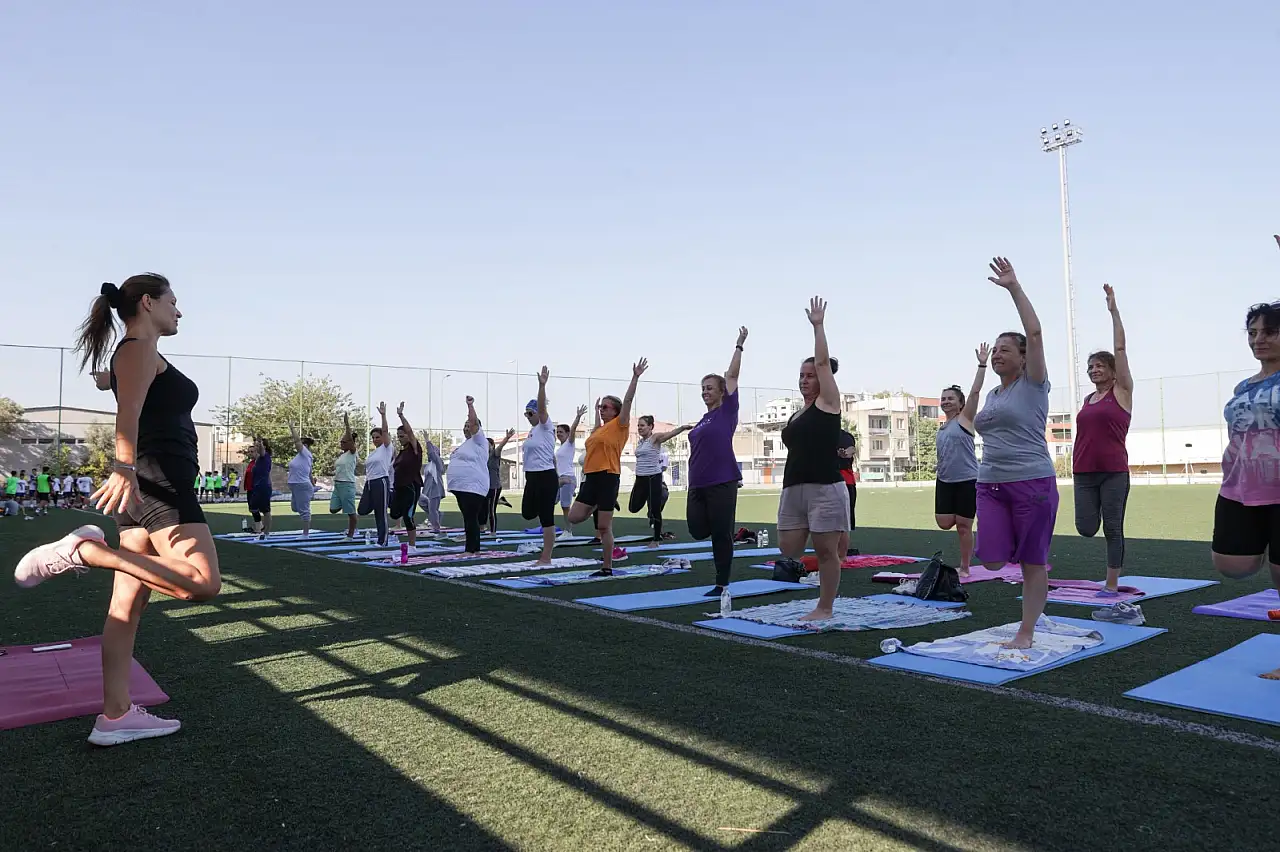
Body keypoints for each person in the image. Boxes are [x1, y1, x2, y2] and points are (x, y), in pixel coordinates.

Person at [15, 275, 221, 746]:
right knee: (202, 583)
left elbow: (131, 393)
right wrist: (123, 467)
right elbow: (127, 411)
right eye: (173, 301)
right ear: (148, 302)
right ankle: (86, 551)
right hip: (159, 483)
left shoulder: (135, 353)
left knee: (127, 604)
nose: (180, 311)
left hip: (148, 482)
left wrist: (110, 381)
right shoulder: (136, 348)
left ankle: (115, 716)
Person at [973, 257, 1058, 650]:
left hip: (1032, 483)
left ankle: (1026, 631)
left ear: (1023, 357)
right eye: (995, 351)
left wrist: (1013, 288)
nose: (997, 355)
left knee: (1032, 563)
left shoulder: (1034, 383)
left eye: (1006, 350)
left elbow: (1036, 332)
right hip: (990, 484)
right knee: (990, 560)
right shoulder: (993, 394)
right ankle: (1019, 547)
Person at [1212, 297, 1280, 680]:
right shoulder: (1243, 385)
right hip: (1240, 487)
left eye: (1269, 331)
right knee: (1232, 565)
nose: (1259, 339)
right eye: (1253, 332)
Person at [778, 302, 848, 620]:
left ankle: (825, 607)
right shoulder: (797, 414)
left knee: (825, 552)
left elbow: (822, 362)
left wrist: (817, 326)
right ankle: (836, 533)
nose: (805, 380)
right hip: (793, 488)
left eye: (811, 375)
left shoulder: (829, 403)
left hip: (825, 487)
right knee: (788, 550)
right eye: (801, 376)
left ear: (823, 379)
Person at [1073, 283, 1134, 593]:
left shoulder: (1121, 393)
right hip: (1083, 473)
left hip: (1113, 472)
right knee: (1085, 528)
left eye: (1100, 366)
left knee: (1112, 528)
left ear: (1113, 371)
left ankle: (1111, 583)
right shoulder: (1087, 400)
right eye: (1090, 367)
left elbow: (1120, 349)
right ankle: (1110, 576)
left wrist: (1114, 311)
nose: (1094, 370)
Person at [567, 359, 646, 575]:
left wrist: (635, 376)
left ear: (615, 411)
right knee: (573, 517)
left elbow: (628, 400)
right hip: (590, 478)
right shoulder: (599, 430)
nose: (602, 410)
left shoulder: (619, 426)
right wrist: (594, 412)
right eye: (601, 407)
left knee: (603, 527)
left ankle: (607, 566)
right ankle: (600, 504)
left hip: (608, 476)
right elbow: (595, 432)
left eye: (605, 407)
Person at [687, 327, 748, 594]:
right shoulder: (703, 419)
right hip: (697, 484)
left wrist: (739, 345)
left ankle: (721, 584)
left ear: (722, 391)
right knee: (697, 529)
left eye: (709, 388)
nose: (705, 392)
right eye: (702, 389)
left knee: (721, 535)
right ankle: (725, 529)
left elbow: (732, 375)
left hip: (723, 481)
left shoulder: (727, 411)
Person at [935, 344, 990, 577]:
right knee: (944, 522)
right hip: (944, 481)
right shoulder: (942, 427)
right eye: (943, 398)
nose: (946, 401)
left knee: (963, 526)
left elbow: (975, 392)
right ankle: (966, 560)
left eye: (950, 398)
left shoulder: (965, 420)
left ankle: (965, 567)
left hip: (967, 480)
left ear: (960, 403)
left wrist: (982, 364)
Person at [520, 367, 560, 565]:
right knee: (527, 512)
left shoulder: (545, 426)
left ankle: (546, 557)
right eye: (525, 414)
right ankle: (546, 507)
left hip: (545, 476)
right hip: (532, 477)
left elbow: (543, 409)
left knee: (546, 517)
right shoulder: (533, 431)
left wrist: (542, 386)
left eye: (530, 413)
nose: (527, 417)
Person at [631, 416, 690, 545]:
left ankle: (656, 539)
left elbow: (669, 434)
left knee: (655, 510)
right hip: (640, 478)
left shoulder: (655, 438)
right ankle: (649, 499)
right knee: (633, 508)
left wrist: (682, 428)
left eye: (642, 425)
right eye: (638, 426)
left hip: (653, 477)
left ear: (650, 426)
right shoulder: (640, 442)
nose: (640, 428)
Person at [448, 396, 492, 554]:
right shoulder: (465, 445)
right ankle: (473, 548)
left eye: (469, 426)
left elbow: (473, 422)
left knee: (471, 517)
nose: (467, 428)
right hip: (461, 488)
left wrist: (470, 406)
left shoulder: (479, 440)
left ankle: (472, 549)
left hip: (473, 486)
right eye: (464, 426)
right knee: (468, 518)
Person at [389, 402, 424, 549]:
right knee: (395, 514)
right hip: (399, 487)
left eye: (402, 436)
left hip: (411, 486)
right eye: (398, 436)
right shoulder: (401, 453)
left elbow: (410, 432)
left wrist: (401, 415)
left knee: (408, 516)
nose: (400, 438)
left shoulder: (415, 449)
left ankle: (412, 545)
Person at [359, 403, 393, 546]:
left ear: (384, 438)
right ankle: (381, 503)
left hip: (381, 481)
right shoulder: (373, 453)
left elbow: (385, 430)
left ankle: (382, 540)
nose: (375, 439)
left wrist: (383, 415)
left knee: (380, 513)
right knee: (362, 509)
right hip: (370, 482)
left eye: (377, 437)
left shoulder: (387, 448)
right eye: (373, 437)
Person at [555, 405, 587, 537]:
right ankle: (549, 527)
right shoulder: (560, 448)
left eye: (561, 432)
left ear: (568, 434)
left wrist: (578, 417)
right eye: (557, 432)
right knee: (550, 501)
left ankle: (568, 531)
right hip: (559, 479)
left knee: (565, 506)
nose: (558, 434)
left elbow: (573, 429)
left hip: (568, 478)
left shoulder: (569, 443)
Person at [330, 412, 360, 538]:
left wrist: (347, 424)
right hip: (337, 485)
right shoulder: (342, 455)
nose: (341, 444)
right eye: (341, 442)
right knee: (333, 509)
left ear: (350, 443)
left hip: (347, 485)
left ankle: (351, 534)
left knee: (350, 513)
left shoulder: (353, 452)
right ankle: (344, 501)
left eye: (344, 442)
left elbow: (350, 440)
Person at [286, 425, 316, 538]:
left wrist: (292, 428)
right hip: (295, 486)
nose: (296, 445)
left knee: (304, 510)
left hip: (301, 485)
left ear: (306, 445)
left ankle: (305, 534)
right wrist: (313, 484)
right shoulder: (301, 456)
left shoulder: (305, 453)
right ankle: (312, 490)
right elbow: (309, 472)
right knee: (295, 508)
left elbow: (297, 441)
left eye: (300, 443)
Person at [485, 430, 515, 534]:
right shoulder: (482, 457)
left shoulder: (494, 454)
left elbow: (500, 448)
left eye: (487, 444)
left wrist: (506, 438)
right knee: (482, 507)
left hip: (494, 486)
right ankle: (500, 500)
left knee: (491, 510)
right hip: (484, 487)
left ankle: (493, 532)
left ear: (492, 446)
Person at [247, 438, 273, 538]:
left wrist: (259, 441)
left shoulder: (265, 455)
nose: (256, 447)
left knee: (266, 511)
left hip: (263, 487)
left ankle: (266, 532)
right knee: (253, 508)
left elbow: (261, 450)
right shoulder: (258, 460)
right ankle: (260, 526)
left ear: (263, 447)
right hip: (257, 487)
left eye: (258, 446)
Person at [836, 430, 857, 554]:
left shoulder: (844, 436)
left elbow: (851, 449)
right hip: (829, 480)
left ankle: (842, 548)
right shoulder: (820, 434)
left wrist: (844, 453)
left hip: (844, 480)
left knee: (845, 516)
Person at [420, 435, 445, 536]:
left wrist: (427, 440)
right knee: (421, 502)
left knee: (432, 509)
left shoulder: (438, 462)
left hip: (435, 489)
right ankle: (438, 514)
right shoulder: (428, 465)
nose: (429, 453)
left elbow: (432, 453)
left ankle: (436, 527)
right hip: (427, 490)